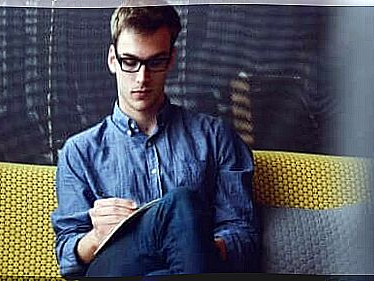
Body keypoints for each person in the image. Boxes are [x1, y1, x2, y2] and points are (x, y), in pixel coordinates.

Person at [50, 3, 260, 278]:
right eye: (130, 62)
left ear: (171, 59)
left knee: (176, 222)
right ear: (113, 60)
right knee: (180, 204)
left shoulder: (216, 136)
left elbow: (244, 237)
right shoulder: (79, 152)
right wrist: (95, 237)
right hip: (115, 270)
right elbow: (67, 257)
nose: (142, 78)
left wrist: (189, 242)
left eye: (155, 62)